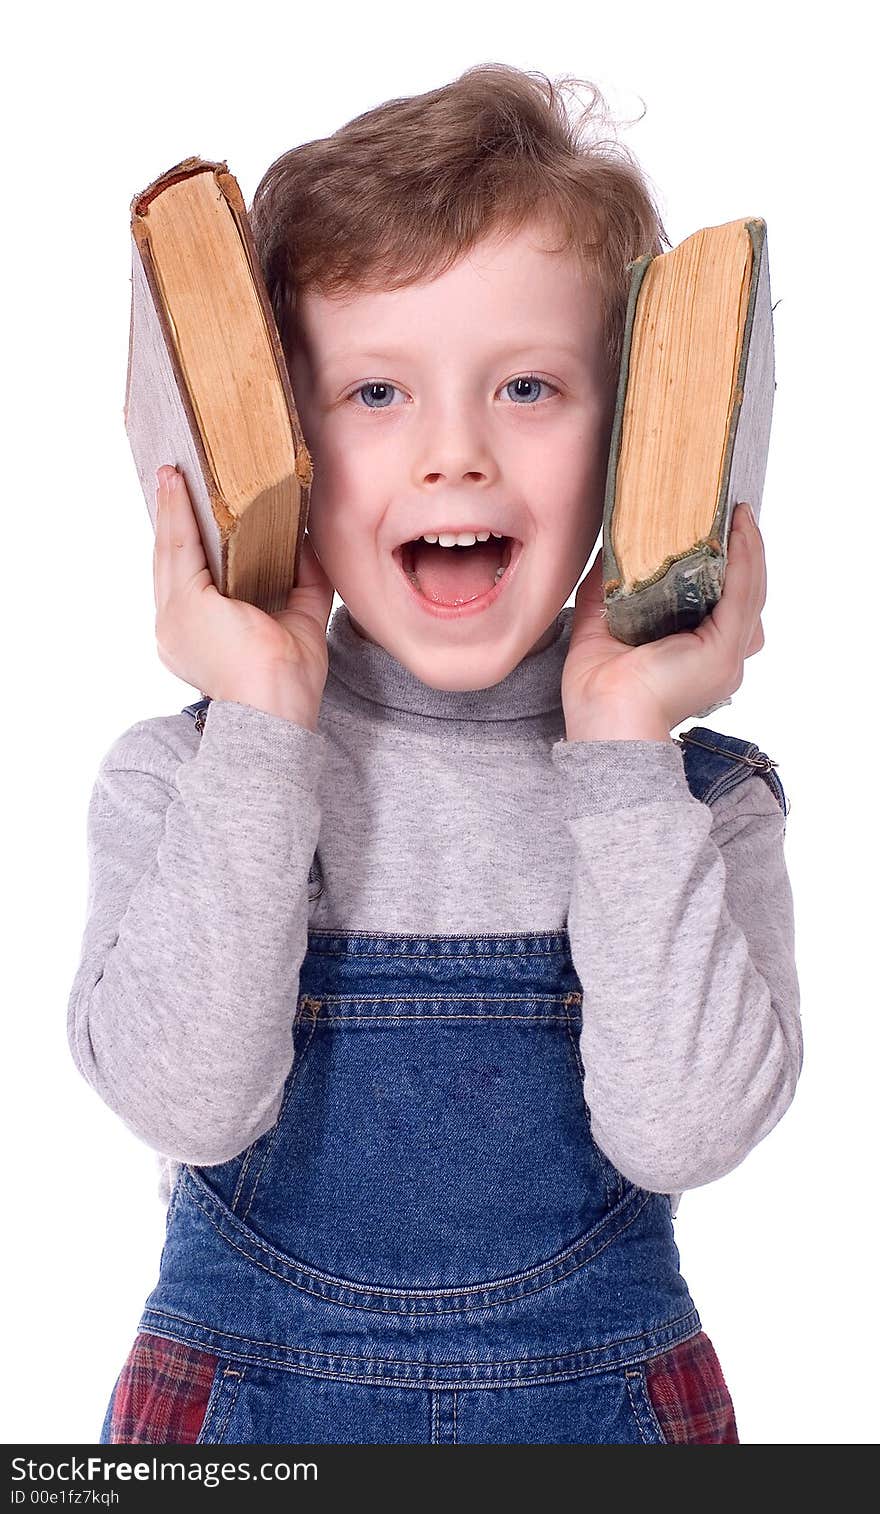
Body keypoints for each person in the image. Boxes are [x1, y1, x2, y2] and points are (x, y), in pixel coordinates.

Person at [68, 63, 801, 1445]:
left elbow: (686, 1132)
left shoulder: (702, 802)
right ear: (284, 437)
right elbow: (187, 1100)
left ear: (637, 434)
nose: (453, 455)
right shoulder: (183, 778)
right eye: (376, 394)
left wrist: (626, 743)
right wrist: (265, 723)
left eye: (528, 385)